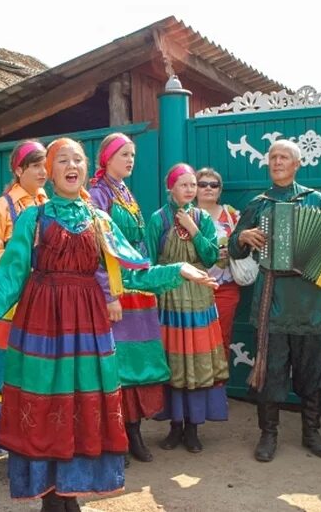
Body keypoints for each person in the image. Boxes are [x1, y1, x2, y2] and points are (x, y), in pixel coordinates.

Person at [0, 138, 216, 512]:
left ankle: (68, 494)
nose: (72, 165)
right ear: (49, 171)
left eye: (78, 160)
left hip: (88, 327)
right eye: (62, 160)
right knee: (46, 405)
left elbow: (133, 271)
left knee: (79, 405)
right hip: (42, 326)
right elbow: (8, 277)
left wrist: (179, 270)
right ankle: (52, 498)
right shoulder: (33, 218)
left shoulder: (98, 218)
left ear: (86, 169)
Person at [229, 139, 321, 462]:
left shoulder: (315, 199)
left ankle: (311, 432)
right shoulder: (258, 204)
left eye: (284, 157)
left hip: (313, 301)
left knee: (312, 372)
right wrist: (242, 236)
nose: (277, 162)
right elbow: (233, 247)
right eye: (272, 157)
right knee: (270, 372)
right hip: (273, 296)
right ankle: (268, 435)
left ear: (297, 164)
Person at [88, 132, 171, 464]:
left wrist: (149, 283)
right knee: (116, 364)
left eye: (133, 155)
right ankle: (115, 437)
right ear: (106, 158)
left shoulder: (124, 192)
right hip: (115, 290)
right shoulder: (96, 195)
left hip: (137, 288)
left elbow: (139, 246)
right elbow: (97, 250)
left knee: (136, 362)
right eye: (124, 154)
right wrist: (109, 294)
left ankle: (134, 432)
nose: (131, 160)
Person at [146, 163, 229, 454]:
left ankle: (193, 428)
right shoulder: (158, 219)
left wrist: (194, 230)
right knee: (174, 361)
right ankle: (174, 426)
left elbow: (210, 258)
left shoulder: (203, 218)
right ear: (171, 187)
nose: (191, 190)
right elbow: (150, 261)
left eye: (193, 185)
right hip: (169, 296)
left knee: (195, 361)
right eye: (184, 184)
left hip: (198, 296)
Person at [0, 140, 47, 455]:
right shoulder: (2, 206)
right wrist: (23, 257)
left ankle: (40, 436)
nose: (42, 172)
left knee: (40, 365)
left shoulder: (51, 202)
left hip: (45, 300)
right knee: (7, 367)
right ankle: (7, 439)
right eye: (35, 166)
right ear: (19, 170)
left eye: (45, 164)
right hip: (12, 301)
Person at [194, 166, 241, 362]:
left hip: (225, 287)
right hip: (195, 286)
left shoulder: (232, 215)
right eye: (202, 184)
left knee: (222, 336)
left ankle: (219, 386)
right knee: (196, 338)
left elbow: (245, 245)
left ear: (220, 190)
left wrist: (233, 248)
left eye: (214, 185)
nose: (208, 188)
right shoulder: (187, 216)